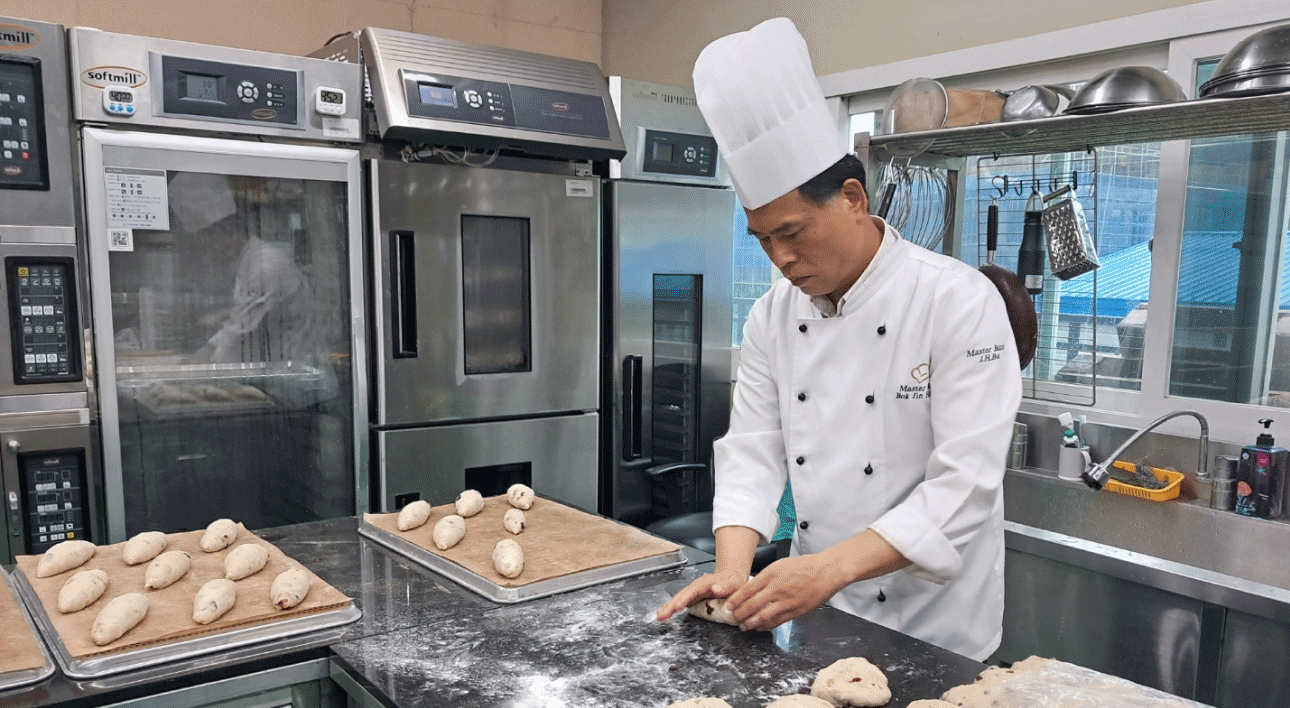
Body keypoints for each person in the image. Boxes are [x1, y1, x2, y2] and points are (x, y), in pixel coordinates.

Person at [655, 18, 1022, 661]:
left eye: (792, 233)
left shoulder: (958, 302)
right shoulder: (771, 316)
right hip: (819, 616)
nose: (781, 258)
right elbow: (753, 449)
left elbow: (966, 483)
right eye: (763, 239)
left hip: (939, 628)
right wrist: (734, 569)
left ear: (852, 198)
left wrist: (829, 569)